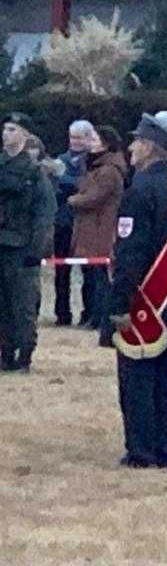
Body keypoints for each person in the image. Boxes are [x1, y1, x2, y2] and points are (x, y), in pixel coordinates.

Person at [105, 114, 167, 468]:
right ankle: (163, 445)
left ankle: (142, 450)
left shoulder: (140, 190)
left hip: (144, 301)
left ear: (149, 148)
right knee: (163, 379)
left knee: (137, 380)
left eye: (136, 142)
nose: (130, 148)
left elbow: (132, 252)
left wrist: (119, 303)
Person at [0, 114, 57, 373]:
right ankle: (4, 355)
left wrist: (36, 250)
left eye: (12, 129)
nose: (6, 134)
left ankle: (24, 356)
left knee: (22, 305)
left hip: (21, 249)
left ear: (24, 135)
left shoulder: (34, 174)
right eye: (5, 129)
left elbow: (44, 215)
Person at [67, 125, 126, 331]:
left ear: (106, 144)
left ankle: (100, 317)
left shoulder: (109, 170)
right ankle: (91, 314)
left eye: (94, 140)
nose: (89, 144)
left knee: (101, 278)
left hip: (101, 229)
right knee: (91, 277)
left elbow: (94, 197)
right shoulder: (95, 166)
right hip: (92, 228)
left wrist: (74, 199)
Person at [53, 119, 94, 326]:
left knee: (89, 271)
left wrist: (65, 180)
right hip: (63, 222)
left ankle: (88, 313)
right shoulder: (60, 160)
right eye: (72, 137)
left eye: (79, 137)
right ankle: (62, 313)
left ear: (89, 138)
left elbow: (87, 187)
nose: (75, 142)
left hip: (85, 224)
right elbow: (56, 187)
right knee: (61, 272)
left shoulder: (94, 161)